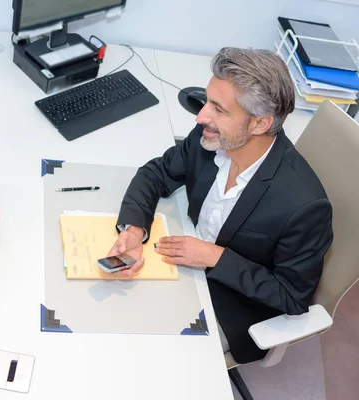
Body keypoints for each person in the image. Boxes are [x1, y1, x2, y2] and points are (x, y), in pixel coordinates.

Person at [108, 48, 333, 363]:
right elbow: (156, 172)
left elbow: (291, 296)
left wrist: (216, 257)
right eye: (207, 101)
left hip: (230, 303)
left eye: (218, 109)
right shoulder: (213, 138)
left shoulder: (305, 206)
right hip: (179, 262)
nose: (201, 116)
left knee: (140, 356)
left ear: (259, 124)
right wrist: (134, 229)